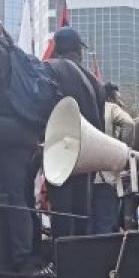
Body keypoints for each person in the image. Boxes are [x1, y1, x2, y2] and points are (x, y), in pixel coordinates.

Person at [0, 8, 51, 276]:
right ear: (0, 27)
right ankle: (29, 258)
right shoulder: (14, 50)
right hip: (23, 129)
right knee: (21, 195)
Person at [45, 27, 106, 239]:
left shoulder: (49, 69)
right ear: (78, 51)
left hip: (58, 148)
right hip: (87, 150)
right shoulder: (95, 82)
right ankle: (79, 257)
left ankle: (61, 255)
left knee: (61, 208)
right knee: (82, 209)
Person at [95, 83, 134, 234]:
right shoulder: (111, 108)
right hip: (106, 175)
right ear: (110, 98)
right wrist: (121, 149)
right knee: (106, 222)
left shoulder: (86, 108)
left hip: (86, 178)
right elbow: (129, 123)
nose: (121, 103)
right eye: (119, 99)